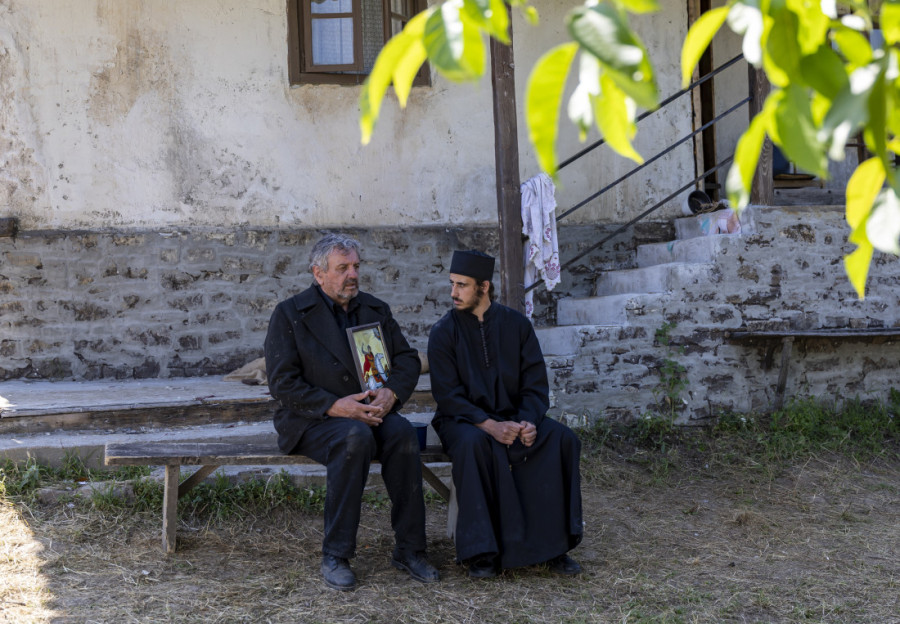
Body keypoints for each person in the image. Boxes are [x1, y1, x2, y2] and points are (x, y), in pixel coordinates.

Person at [265, 233, 439, 591]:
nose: (352, 275)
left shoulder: (375, 309)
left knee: (404, 435)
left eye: (356, 266)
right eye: (342, 268)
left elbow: (406, 359)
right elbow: (282, 383)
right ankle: (336, 554)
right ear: (318, 273)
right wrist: (333, 405)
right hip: (314, 419)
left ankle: (410, 549)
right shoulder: (290, 314)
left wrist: (391, 393)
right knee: (353, 438)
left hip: (371, 412)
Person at [427, 249, 583, 578]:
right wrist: (489, 425)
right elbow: (448, 395)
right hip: (463, 421)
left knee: (560, 439)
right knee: (474, 445)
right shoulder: (443, 333)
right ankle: (483, 553)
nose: (453, 293)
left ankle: (553, 548)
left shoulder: (517, 325)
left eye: (462, 285)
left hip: (515, 416)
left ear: (484, 287)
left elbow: (535, 382)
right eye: (452, 284)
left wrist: (528, 420)